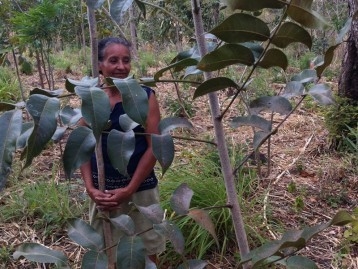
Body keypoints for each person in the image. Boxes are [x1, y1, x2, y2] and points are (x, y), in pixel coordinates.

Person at [79, 37, 165, 264]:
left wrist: (130, 188)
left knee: (147, 250)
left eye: (126, 60)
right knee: (107, 252)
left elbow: (154, 146)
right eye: (113, 60)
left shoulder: (144, 96)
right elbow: (82, 146)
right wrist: (90, 188)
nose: (121, 66)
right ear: (99, 64)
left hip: (140, 191)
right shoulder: (90, 97)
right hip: (104, 194)